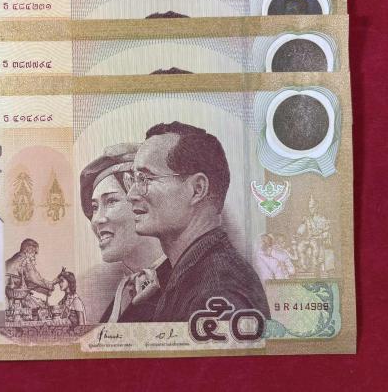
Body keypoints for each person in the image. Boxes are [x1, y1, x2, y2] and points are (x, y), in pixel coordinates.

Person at [126, 121, 270, 322]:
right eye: (133, 179)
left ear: (197, 189)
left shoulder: (218, 289)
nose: (131, 195)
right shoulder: (182, 274)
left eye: (145, 178)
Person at [80, 143, 171, 322]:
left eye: (111, 201)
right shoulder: (121, 298)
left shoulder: (185, 285)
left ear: (144, 204)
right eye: (95, 207)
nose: (96, 219)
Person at [5, 238, 60, 315]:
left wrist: (44, 290)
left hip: (6, 296)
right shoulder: (25, 259)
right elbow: (34, 279)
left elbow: (25, 282)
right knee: (41, 307)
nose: (34, 256)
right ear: (29, 250)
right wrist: (50, 285)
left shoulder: (15, 258)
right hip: (12, 297)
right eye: (35, 253)